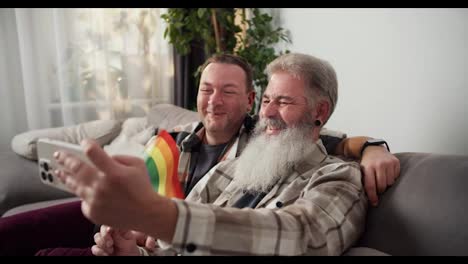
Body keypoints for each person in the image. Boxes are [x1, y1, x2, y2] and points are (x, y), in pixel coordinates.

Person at [0, 54, 397, 256]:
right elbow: (168, 241)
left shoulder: (338, 179)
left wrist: (371, 145)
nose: (270, 113)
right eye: (270, 101)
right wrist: (132, 249)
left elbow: (299, 235)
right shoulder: (242, 162)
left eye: (285, 101)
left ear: (320, 112)